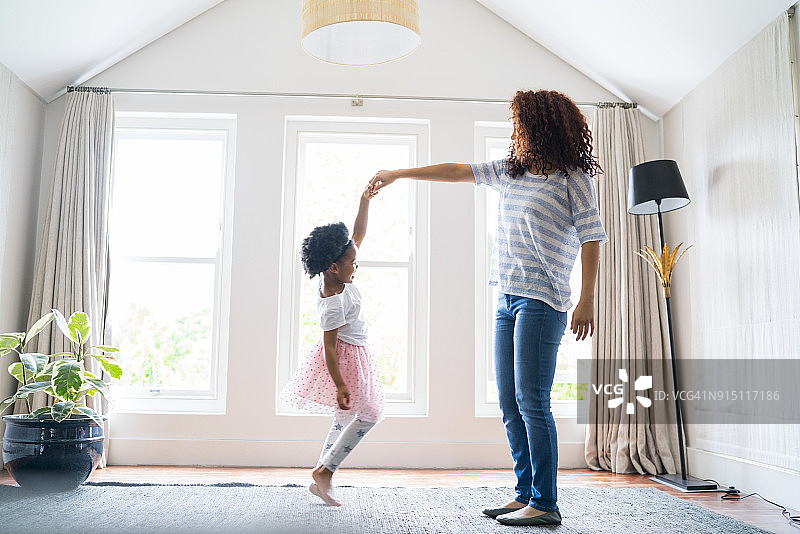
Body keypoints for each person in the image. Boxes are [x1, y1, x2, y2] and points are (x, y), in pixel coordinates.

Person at [369, 89, 607, 527]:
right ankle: (524, 494)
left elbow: (593, 236)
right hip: (507, 298)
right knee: (510, 402)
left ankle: (546, 502)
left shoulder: (572, 178)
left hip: (544, 299)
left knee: (532, 400)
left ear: (541, 126)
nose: (515, 130)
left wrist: (587, 299)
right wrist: (399, 173)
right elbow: (458, 171)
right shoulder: (510, 172)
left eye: (521, 122)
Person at [280, 186, 385, 507]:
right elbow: (329, 347)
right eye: (353, 262)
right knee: (370, 413)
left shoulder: (342, 275)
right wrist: (340, 383)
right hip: (344, 359)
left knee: (345, 418)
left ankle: (322, 476)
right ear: (333, 267)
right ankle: (325, 470)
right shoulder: (333, 302)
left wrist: (364, 201)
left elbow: (358, 234)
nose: (357, 266)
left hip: (356, 355)